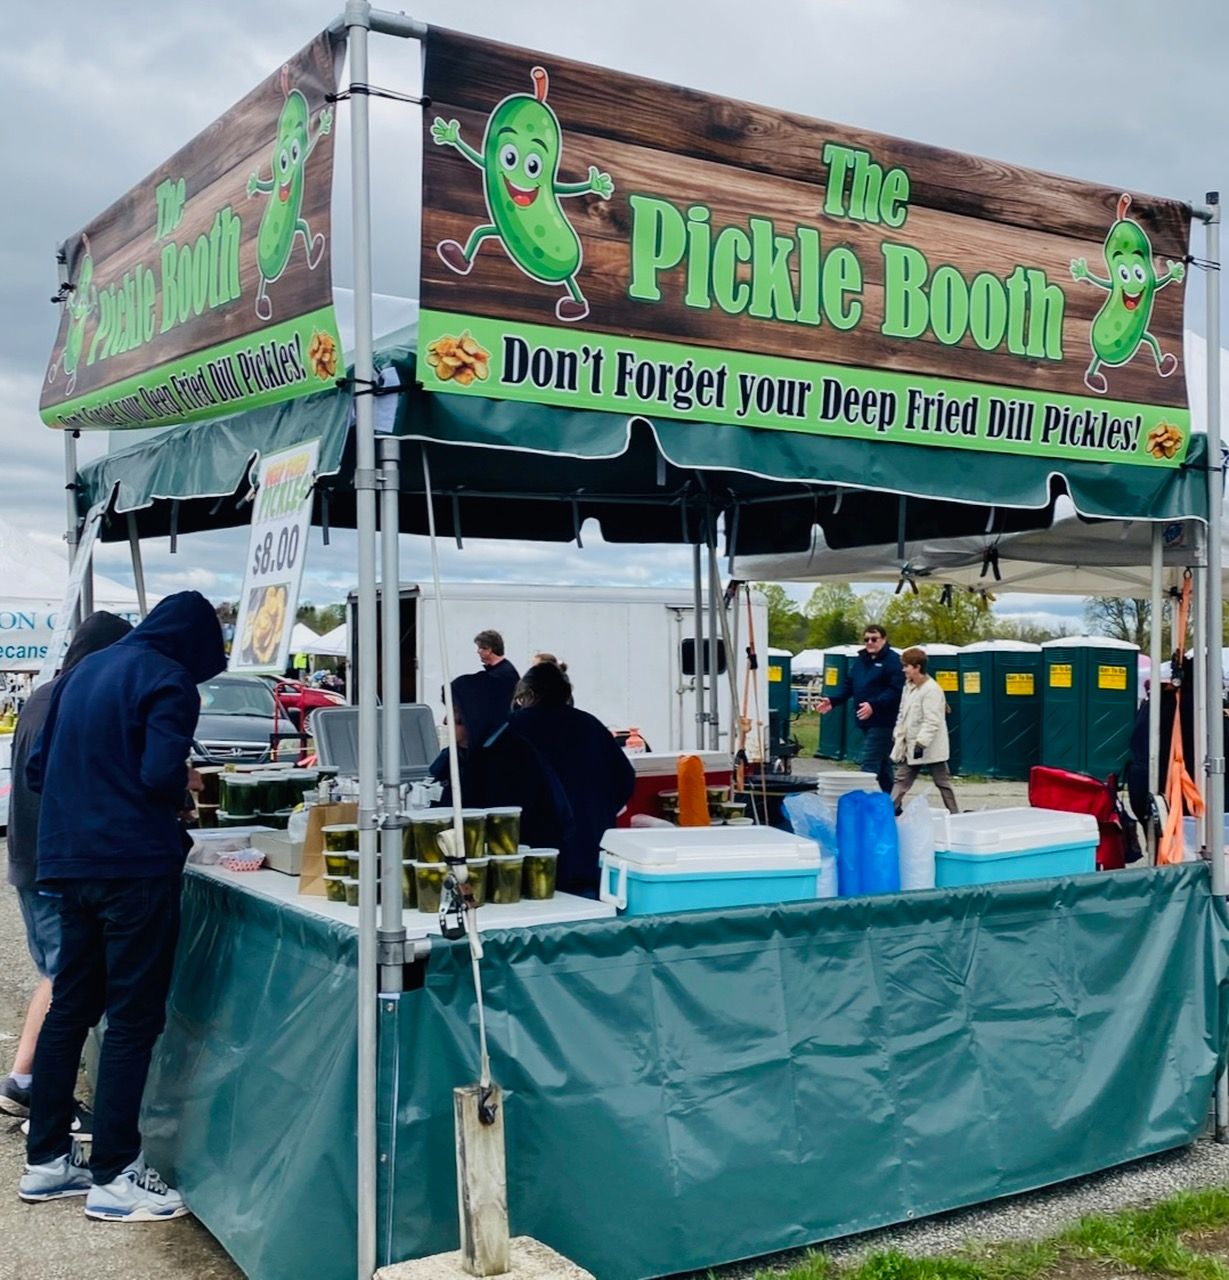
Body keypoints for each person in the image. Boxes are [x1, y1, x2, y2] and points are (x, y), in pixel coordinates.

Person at [19, 591, 226, 1221]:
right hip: (134, 867)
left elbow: (35, 770)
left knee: (71, 1009)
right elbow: (160, 772)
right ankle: (114, 1175)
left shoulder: (80, 674)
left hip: (67, 862)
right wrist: (180, 788)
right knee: (133, 1021)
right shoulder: (167, 677)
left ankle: (47, 1161)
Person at [1, 612, 133, 1131]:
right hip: (55, 862)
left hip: (30, 859)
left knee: (57, 974)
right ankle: (37, 1093)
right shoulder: (76, 699)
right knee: (71, 982)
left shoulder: (43, 696)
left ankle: (25, 1079)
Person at [511, 662, 634, 897]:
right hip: (592, 848)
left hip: (536, 854)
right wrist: (600, 813)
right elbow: (625, 778)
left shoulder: (514, 727)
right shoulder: (590, 725)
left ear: (530, 695)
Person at [430, 671, 569, 850]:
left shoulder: (511, 757)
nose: (446, 720)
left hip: (518, 855)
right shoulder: (461, 755)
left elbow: (499, 822)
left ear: (473, 715)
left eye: (453, 712)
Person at [816, 624, 904, 792]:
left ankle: (862, 800)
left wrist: (874, 704)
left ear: (884, 640)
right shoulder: (861, 661)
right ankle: (892, 801)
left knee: (869, 762)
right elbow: (849, 686)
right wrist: (833, 701)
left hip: (883, 721)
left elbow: (895, 690)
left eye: (874, 639)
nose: (870, 642)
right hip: (864, 719)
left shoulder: (893, 661)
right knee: (883, 764)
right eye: (866, 639)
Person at [889, 647, 959, 815]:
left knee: (942, 782)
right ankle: (887, 814)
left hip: (929, 746)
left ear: (917, 667)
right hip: (910, 744)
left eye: (906, 666)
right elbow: (902, 713)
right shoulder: (909, 686)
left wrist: (921, 743)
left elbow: (932, 720)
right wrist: (898, 733)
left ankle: (955, 813)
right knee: (901, 780)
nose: (903, 670)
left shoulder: (931, 689)